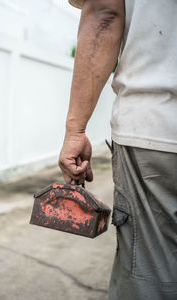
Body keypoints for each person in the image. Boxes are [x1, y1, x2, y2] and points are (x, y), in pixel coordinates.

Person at [59, 0, 177, 299]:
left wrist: (76, 129)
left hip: (155, 127)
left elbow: (105, 11)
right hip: (154, 130)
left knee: (151, 276)